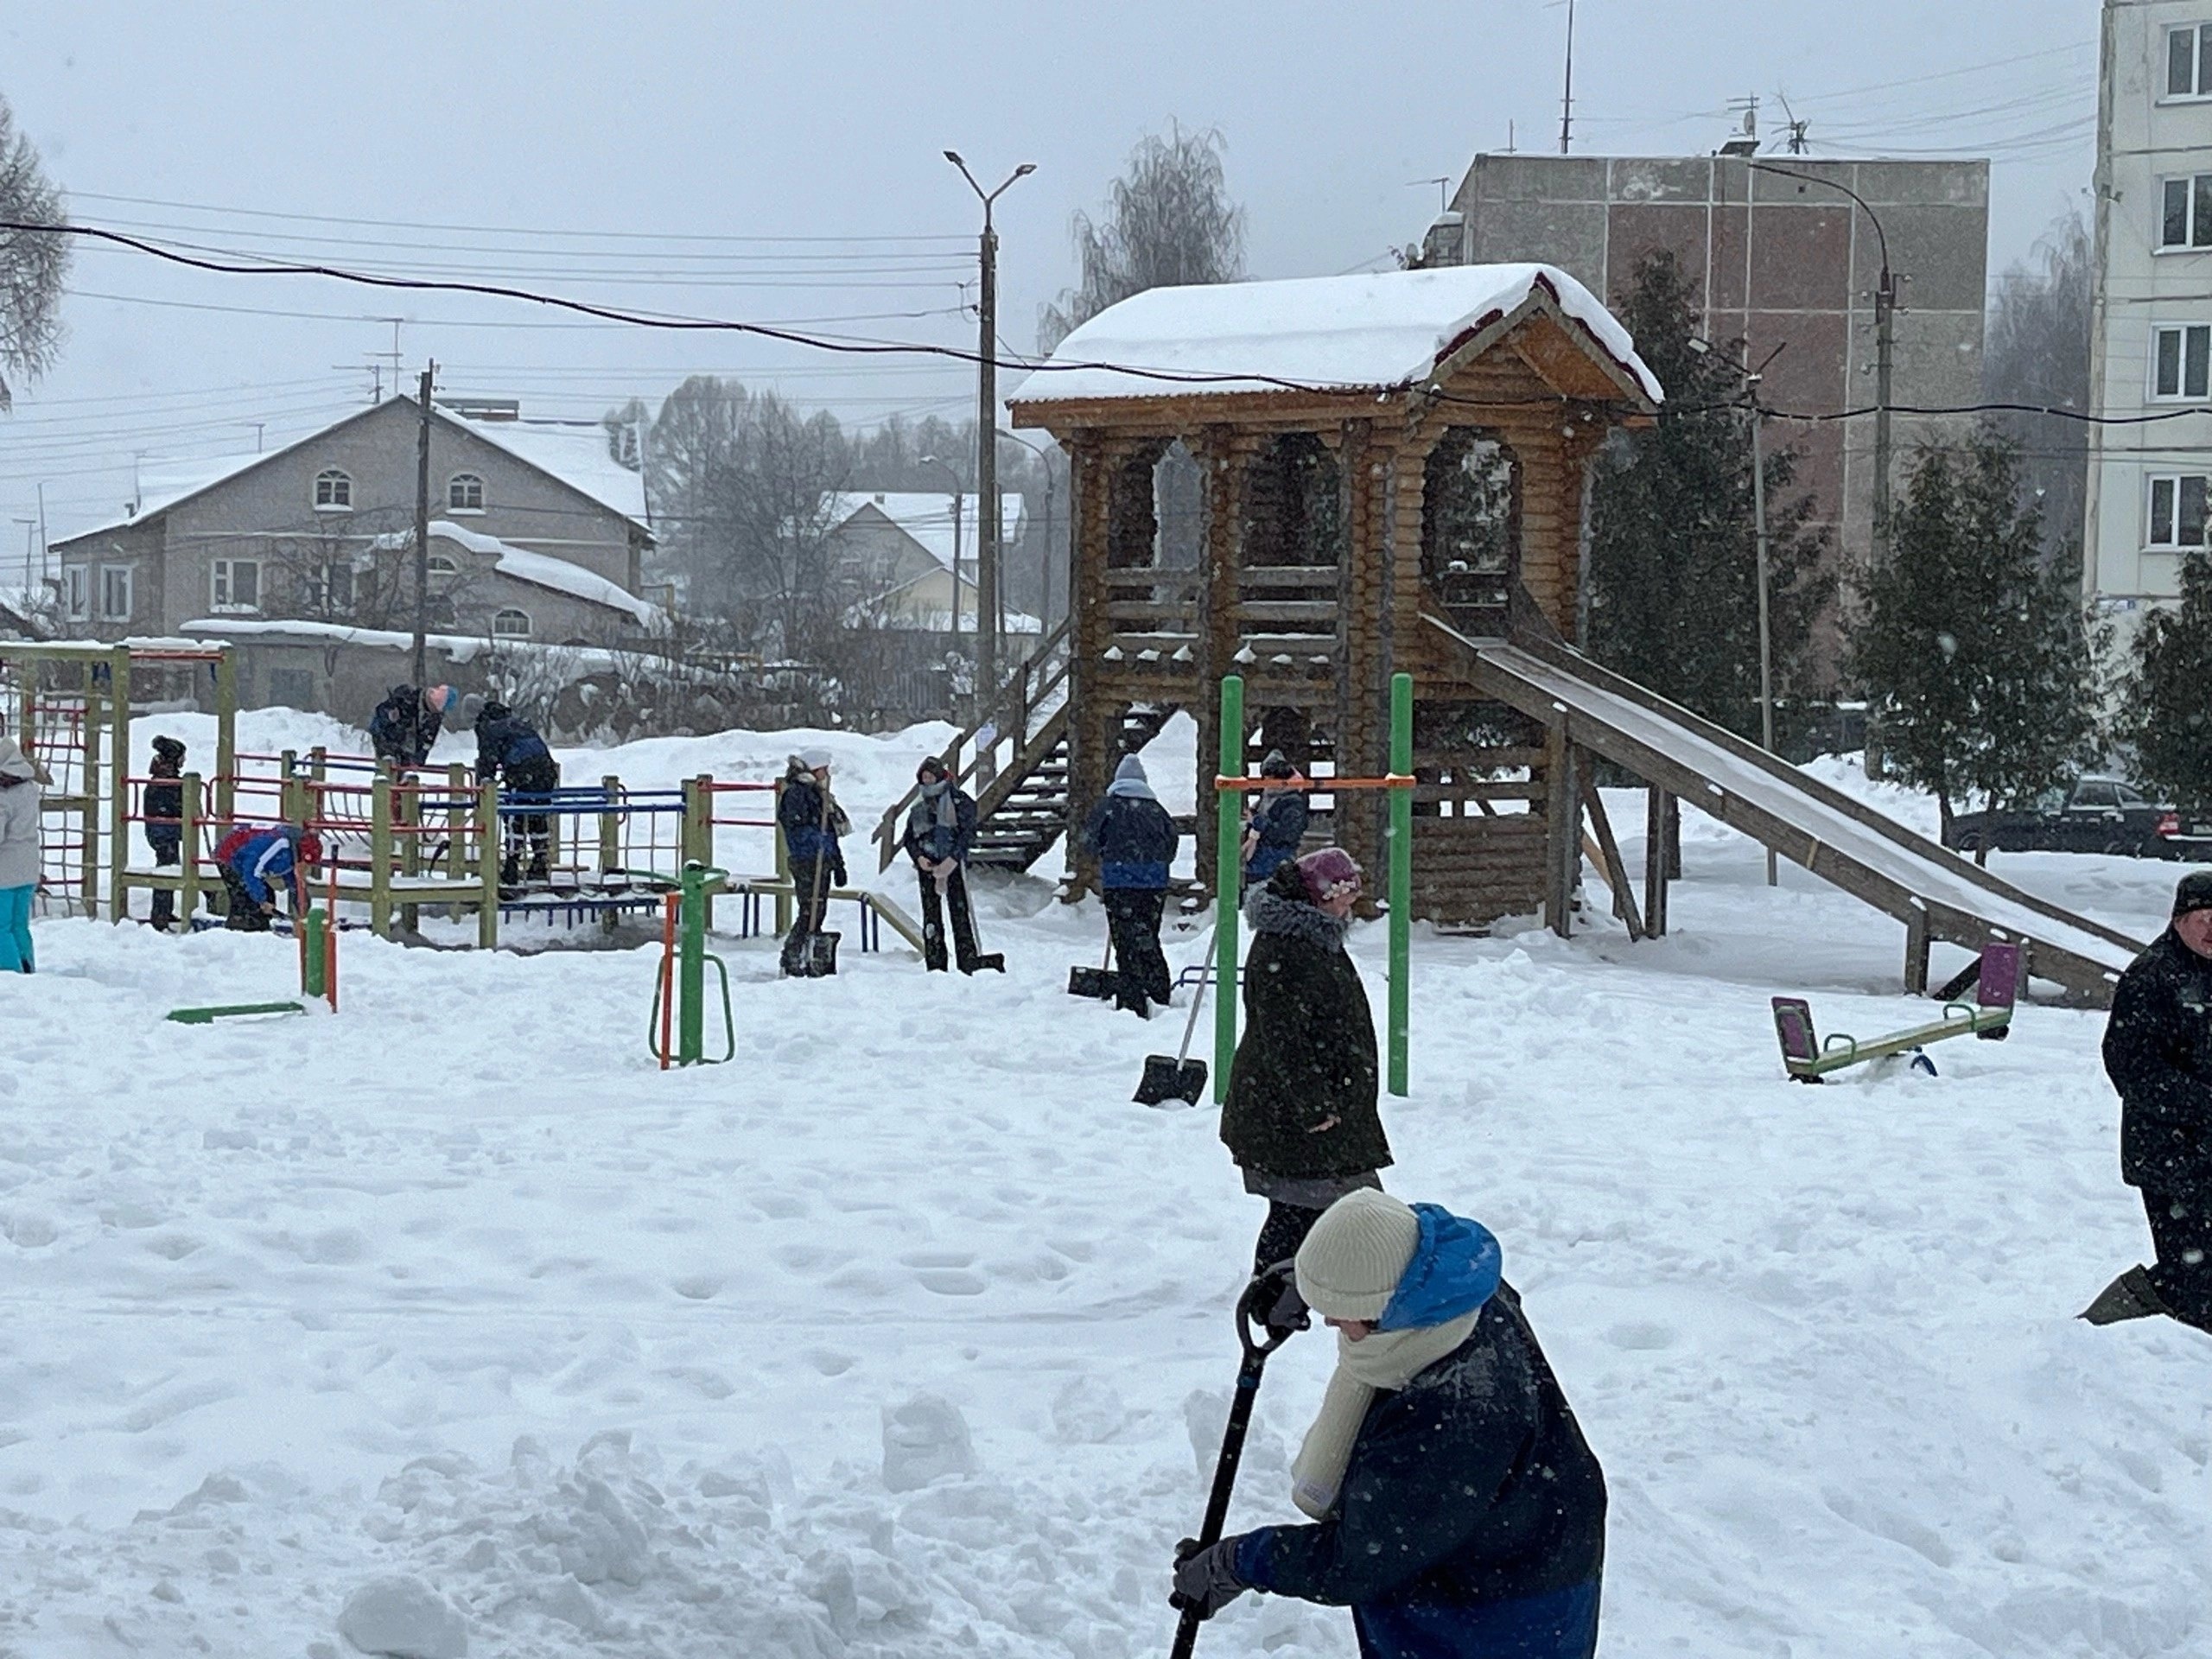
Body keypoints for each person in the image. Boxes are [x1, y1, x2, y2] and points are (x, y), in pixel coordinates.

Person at [1170, 1189, 1607, 1659]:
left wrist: (1238, 1562)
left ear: (1384, 1308)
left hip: (1492, 1606)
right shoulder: (1451, 1294)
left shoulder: (1446, 1413)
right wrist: (1316, 1278)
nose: (1329, 1321)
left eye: (1338, 1314)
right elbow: (1379, 1243)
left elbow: (1354, 1562)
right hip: (1515, 1536)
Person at [1222, 848, 1393, 1300]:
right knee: (1305, 1209)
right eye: (1344, 896)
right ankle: (1272, 1298)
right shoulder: (1288, 947)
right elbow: (1283, 1037)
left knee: (1333, 1207)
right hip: (1292, 1115)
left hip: (1317, 1108)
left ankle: (1315, 1291)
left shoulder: (1314, 938)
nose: (1350, 906)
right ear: (1321, 896)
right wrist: (1315, 1105)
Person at [2082, 870, 2212, 1333]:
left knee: (2199, 1271)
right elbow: (2129, 1065)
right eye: (2203, 917)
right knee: (2193, 1275)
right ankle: (2101, 1329)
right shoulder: (2152, 976)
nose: (2211, 928)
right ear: (2179, 920)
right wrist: (2201, 1103)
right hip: (2169, 1154)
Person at [1080, 754, 1178, 1016]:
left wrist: (1106, 852)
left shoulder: (1108, 807)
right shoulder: (1157, 810)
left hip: (1120, 882)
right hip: (1154, 883)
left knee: (1125, 940)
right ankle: (1157, 987)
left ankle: (1132, 995)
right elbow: (1171, 845)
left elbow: (1088, 841)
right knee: (1148, 934)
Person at [903, 756, 986, 974]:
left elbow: (967, 833)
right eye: (924, 778)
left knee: (960, 915)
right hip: (928, 866)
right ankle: (936, 962)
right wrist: (919, 857)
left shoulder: (959, 801)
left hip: (953, 865)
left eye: (931, 777)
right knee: (931, 917)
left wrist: (953, 859)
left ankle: (967, 959)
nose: (928, 782)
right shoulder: (918, 806)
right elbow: (909, 838)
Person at [778, 749, 849, 976]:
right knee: (810, 910)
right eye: (824, 770)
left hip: (821, 860)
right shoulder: (797, 794)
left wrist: (837, 862)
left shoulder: (819, 794)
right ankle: (793, 955)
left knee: (818, 910)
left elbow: (830, 834)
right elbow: (796, 828)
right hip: (807, 860)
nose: (827, 774)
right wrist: (817, 839)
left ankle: (809, 951)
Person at [474, 700, 559, 884]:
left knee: (515, 816)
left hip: (521, 771)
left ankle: (512, 864)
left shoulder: (490, 728)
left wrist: (481, 791)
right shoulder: (518, 723)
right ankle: (540, 862)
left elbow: (487, 761)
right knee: (538, 814)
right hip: (545, 770)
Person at [213, 823, 321, 932]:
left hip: (246, 862)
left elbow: (294, 884)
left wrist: (303, 913)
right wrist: (262, 900)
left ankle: (259, 930)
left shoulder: (291, 855)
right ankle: (241, 932)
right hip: (231, 856)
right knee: (248, 904)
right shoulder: (279, 844)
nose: (306, 869)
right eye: (306, 863)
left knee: (267, 898)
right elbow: (251, 872)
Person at [0, 737, 41, 973]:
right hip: (27, 871)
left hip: (4, 873)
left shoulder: (4, 797)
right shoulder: (29, 789)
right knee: (19, 926)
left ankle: (10, 974)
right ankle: (27, 968)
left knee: (1, 928)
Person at [1242, 749, 1310, 888]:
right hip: (1260, 861)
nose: (1266, 783)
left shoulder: (1293, 802)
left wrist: (1258, 822)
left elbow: (1285, 834)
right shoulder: (1267, 797)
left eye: (1270, 779)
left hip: (1275, 862)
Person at [145, 735, 187, 931]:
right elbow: (176, 806)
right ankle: (160, 913)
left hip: (162, 830)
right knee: (166, 868)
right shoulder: (167, 783)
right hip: (165, 832)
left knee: (168, 866)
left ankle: (163, 911)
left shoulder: (160, 779)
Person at [370, 683, 453, 771]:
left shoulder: (434, 719)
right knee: (386, 776)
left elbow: (427, 743)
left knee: (407, 779)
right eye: (437, 694)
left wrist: (417, 762)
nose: (435, 699)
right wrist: (390, 718)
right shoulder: (408, 698)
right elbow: (379, 723)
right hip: (388, 746)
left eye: (441, 702)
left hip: (408, 755)